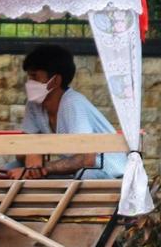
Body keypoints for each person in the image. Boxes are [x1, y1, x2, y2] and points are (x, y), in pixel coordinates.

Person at [8, 44, 124, 180]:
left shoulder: (72, 103)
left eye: (35, 76)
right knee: (11, 168)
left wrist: (42, 167)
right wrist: (32, 151)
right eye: (29, 77)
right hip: (78, 171)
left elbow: (88, 159)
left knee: (86, 175)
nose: (29, 82)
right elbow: (21, 152)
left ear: (56, 80)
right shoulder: (34, 105)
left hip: (108, 172)